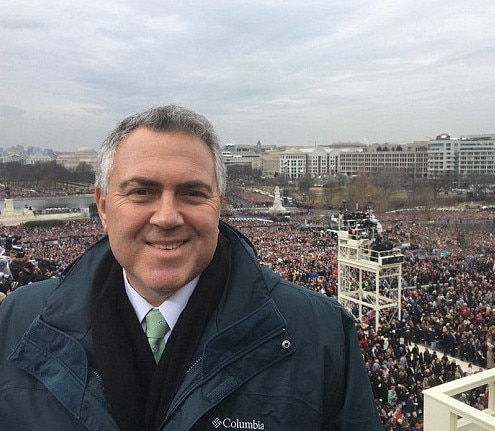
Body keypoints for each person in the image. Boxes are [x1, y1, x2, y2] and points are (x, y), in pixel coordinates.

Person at [0, 105, 382, 430]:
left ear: (219, 204)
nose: (167, 217)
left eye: (192, 193)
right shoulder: (17, 321)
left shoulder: (322, 333)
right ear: (102, 206)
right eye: (142, 192)